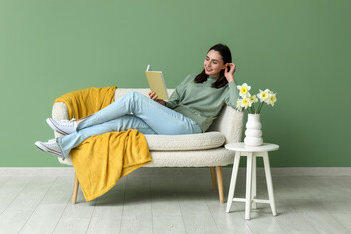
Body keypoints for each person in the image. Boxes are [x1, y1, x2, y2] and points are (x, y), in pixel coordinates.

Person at [35, 43, 238, 159]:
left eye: (215, 62)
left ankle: (77, 124)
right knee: (121, 122)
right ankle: (64, 144)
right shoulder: (193, 78)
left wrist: (230, 79)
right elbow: (173, 104)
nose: (208, 64)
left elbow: (238, 104)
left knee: (132, 98)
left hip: (190, 127)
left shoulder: (225, 88)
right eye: (207, 58)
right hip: (172, 120)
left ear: (224, 66)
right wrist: (159, 103)